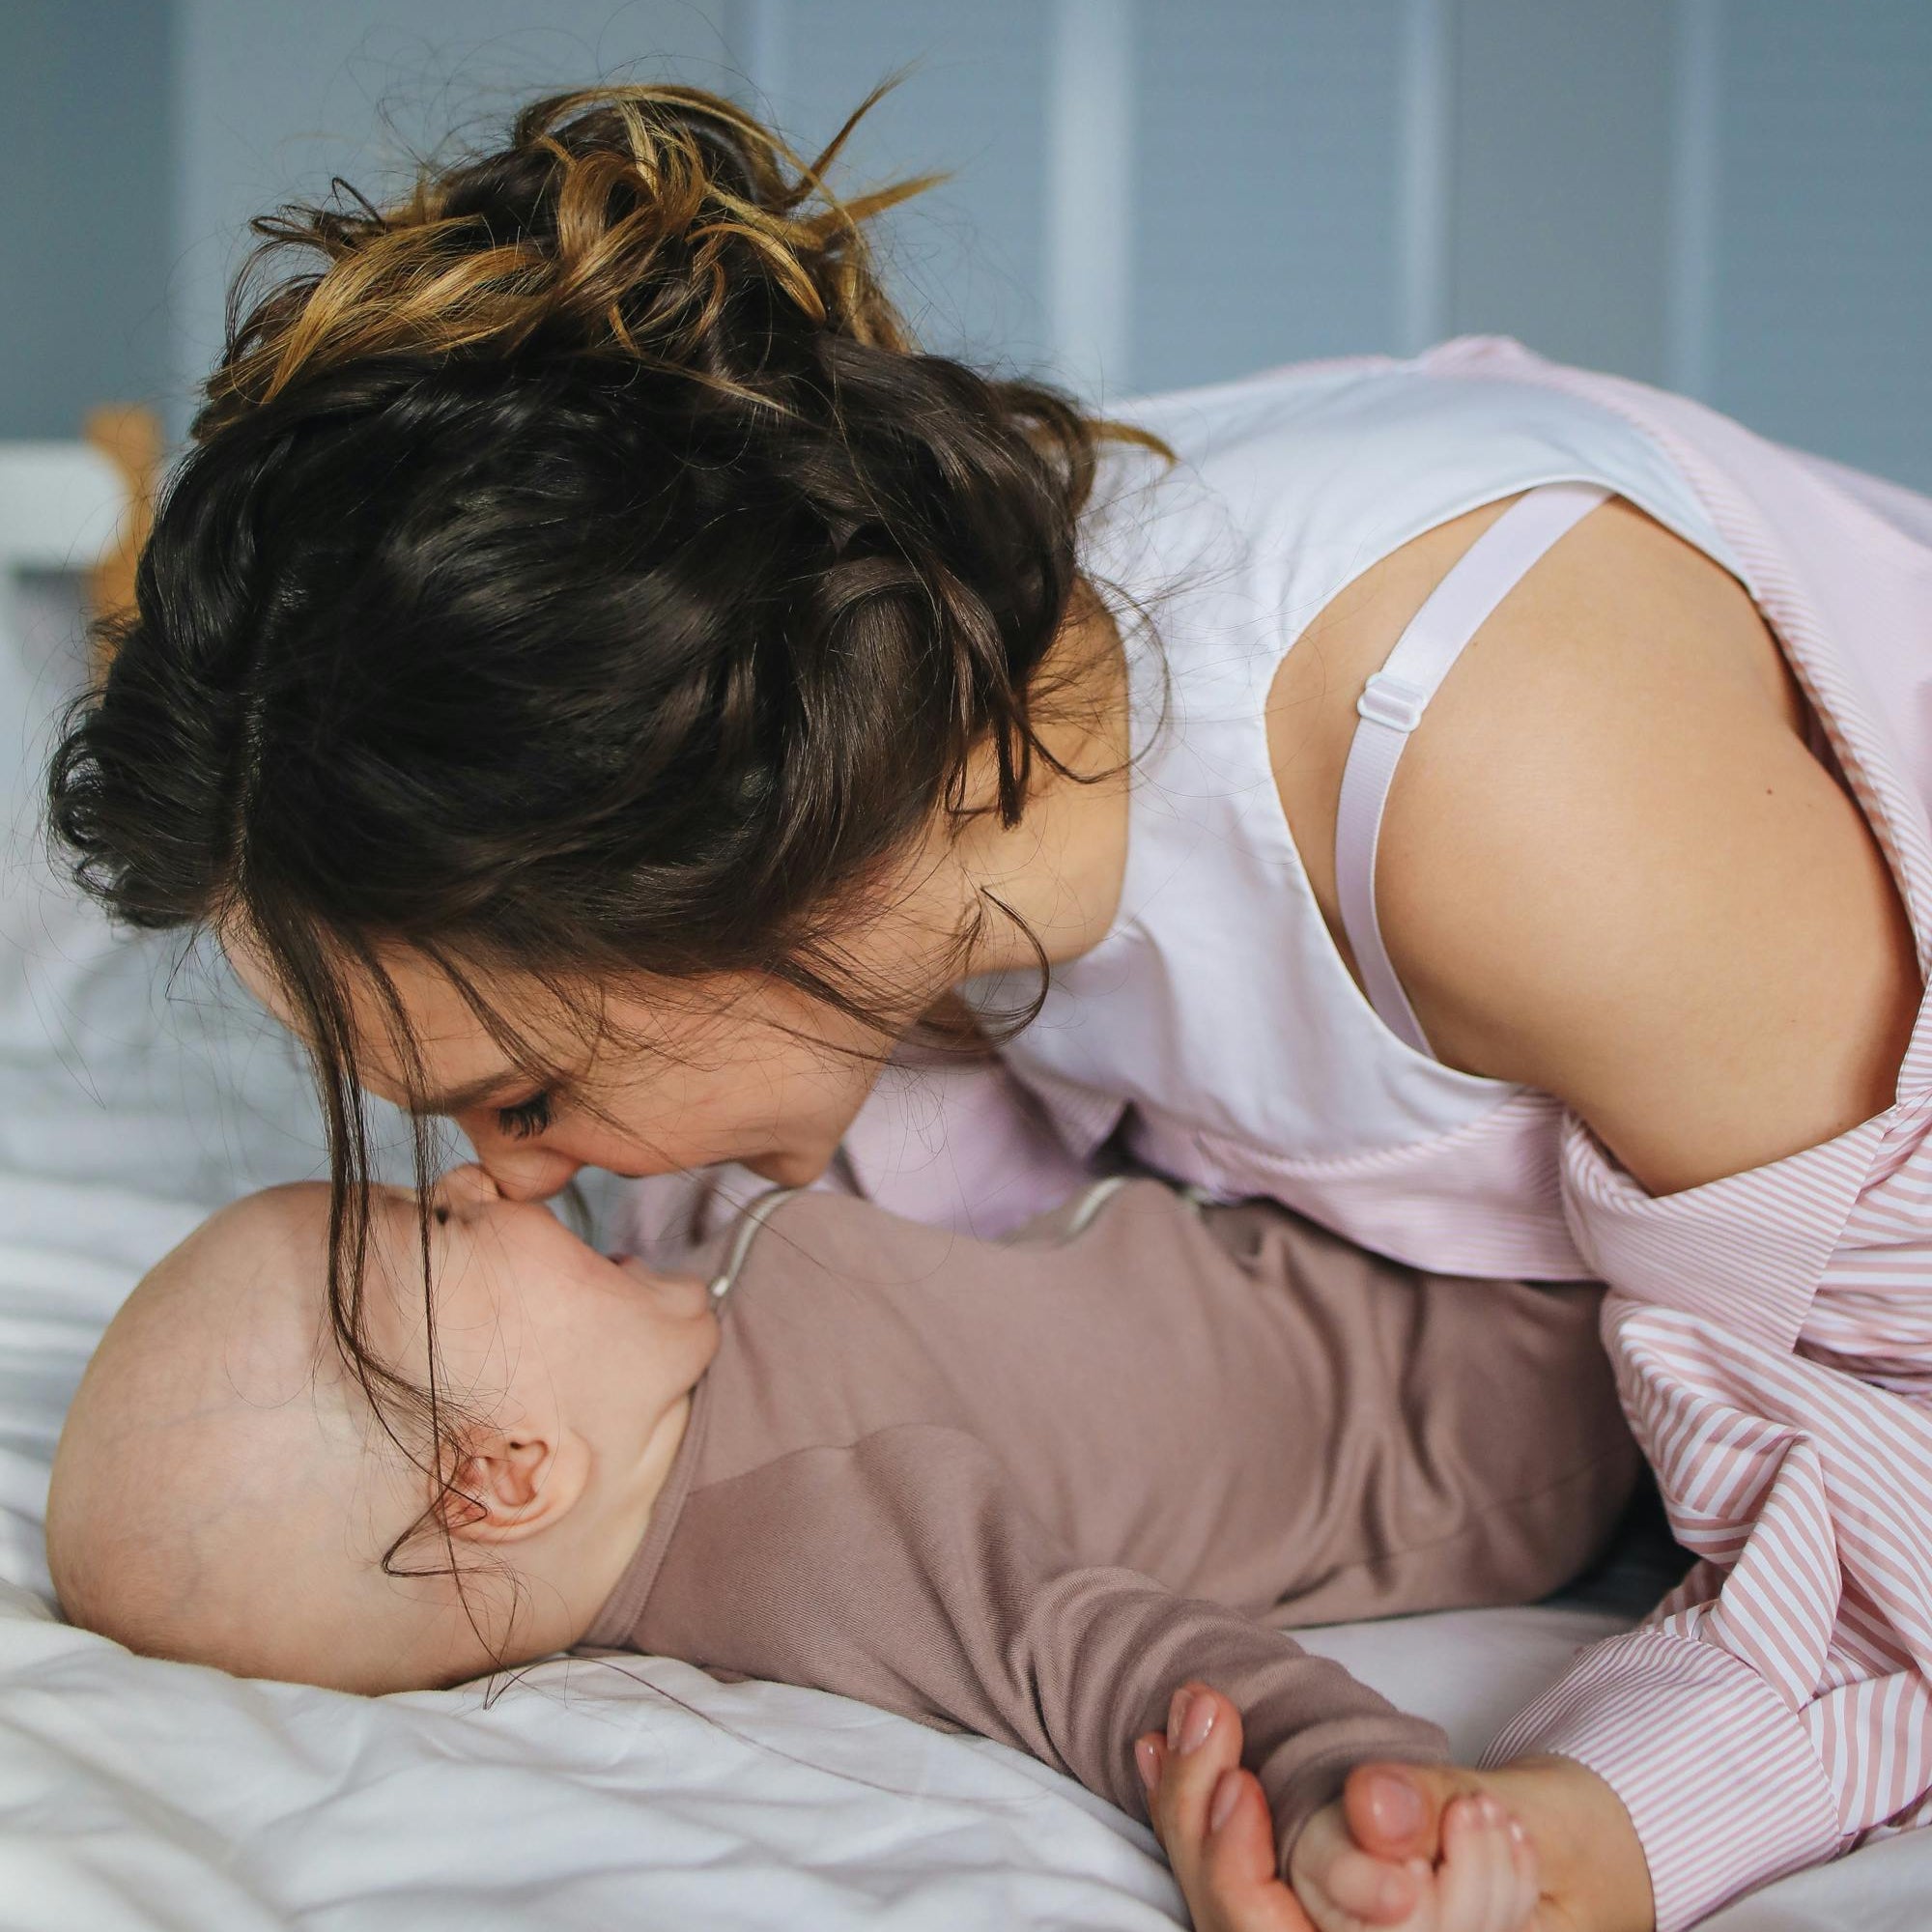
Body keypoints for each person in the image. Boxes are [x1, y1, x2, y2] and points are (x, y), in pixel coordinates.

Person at [47, 77, 1932, 1932]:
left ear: (730, 865)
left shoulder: (1507, 786)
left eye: (525, 1089)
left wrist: (1604, 1824)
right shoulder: (932, 720)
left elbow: (1898, 1496)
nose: (525, 1180)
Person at [48, 1167, 1638, 1932]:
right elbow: (1112, 1660)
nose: (471, 1176)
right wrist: (1332, 1800)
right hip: (1488, 1371)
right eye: (441, 1226)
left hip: (1341, 1209)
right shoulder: (810, 1540)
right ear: (504, 1479)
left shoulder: (648, 1341)